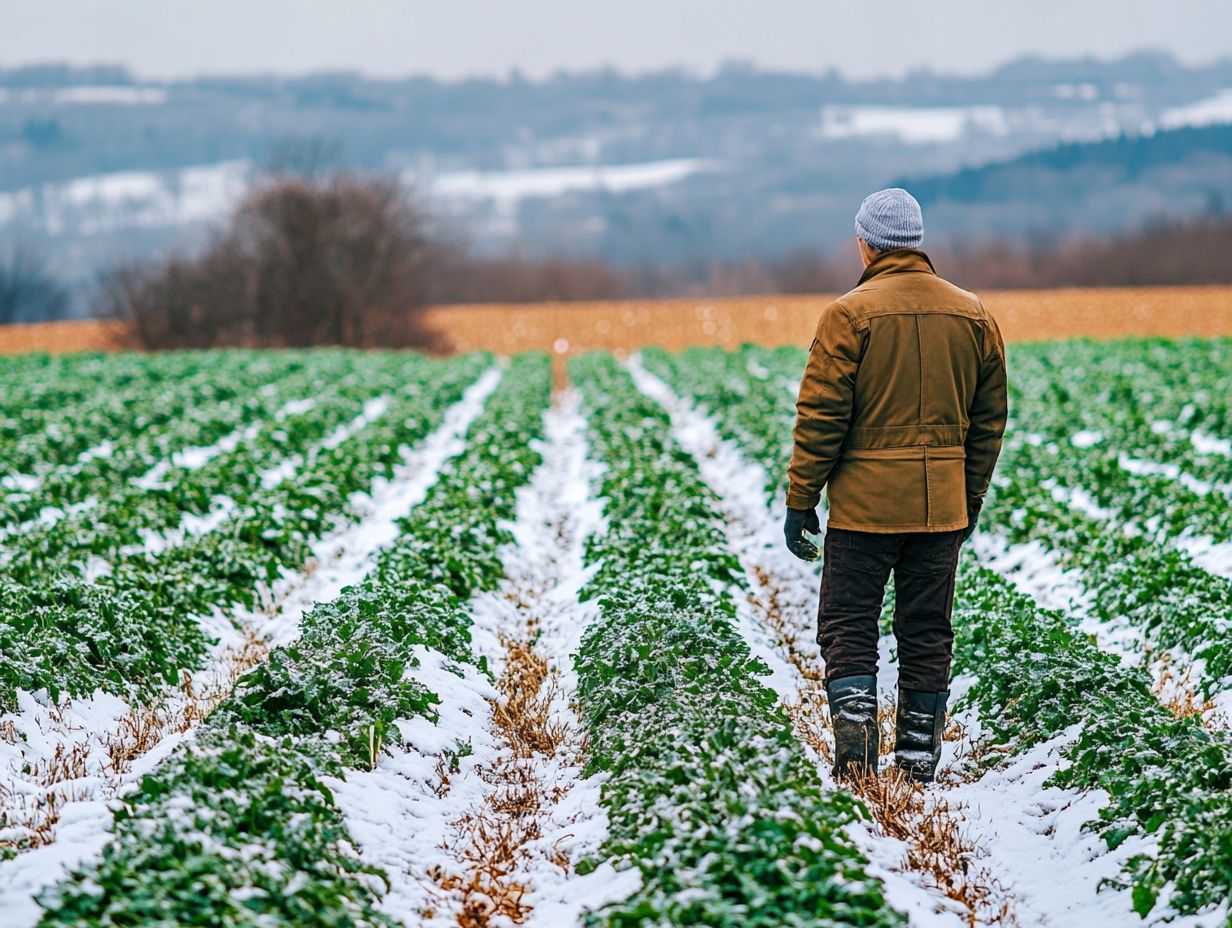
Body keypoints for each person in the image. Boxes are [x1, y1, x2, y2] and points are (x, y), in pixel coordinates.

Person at [783, 187, 1008, 784]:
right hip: (941, 511)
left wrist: (801, 502)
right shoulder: (973, 314)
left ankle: (858, 765)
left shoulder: (847, 316)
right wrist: (971, 495)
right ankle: (916, 764)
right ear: (916, 241)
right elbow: (989, 421)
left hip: (863, 512)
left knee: (849, 623)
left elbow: (820, 417)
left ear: (865, 243)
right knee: (927, 629)